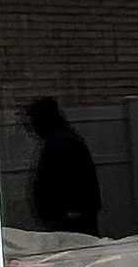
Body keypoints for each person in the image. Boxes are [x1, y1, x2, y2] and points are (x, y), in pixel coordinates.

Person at [23, 96, 103, 234]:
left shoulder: (61, 143)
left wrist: (70, 212)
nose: (33, 128)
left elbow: (69, 180)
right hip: (69, 217)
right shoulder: (63, 140)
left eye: (34, 122)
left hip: (70, 219)